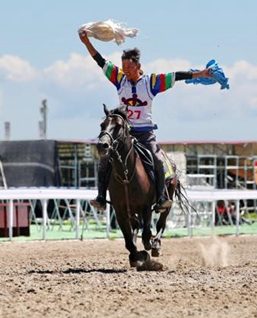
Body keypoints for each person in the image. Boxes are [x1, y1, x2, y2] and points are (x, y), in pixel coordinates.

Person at [79, 30, 213, 213]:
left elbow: (176, 76)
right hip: (123, 133)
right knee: (104, 160)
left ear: (138, 65)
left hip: (145, 134)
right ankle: (101, 197)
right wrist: (86, 41)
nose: (125, 71)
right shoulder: (119, 79)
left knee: (158, 160)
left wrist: (201, 74)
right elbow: (99, 60)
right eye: (123, 67)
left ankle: (162, 197)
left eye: (128, 68)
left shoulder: (151, 82)